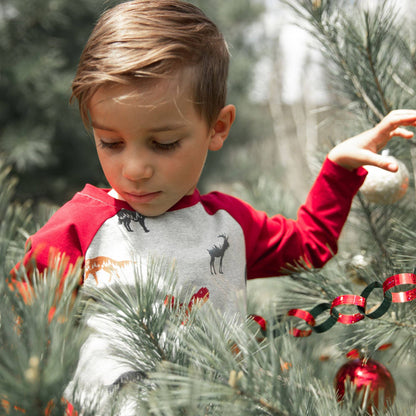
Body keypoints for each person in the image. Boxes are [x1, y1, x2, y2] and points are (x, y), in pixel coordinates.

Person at [10, 0, 416, 404]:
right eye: (110, 142)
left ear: (217, 128)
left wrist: (339, 170)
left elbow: (310, 246)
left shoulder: (229, 226)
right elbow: (19, 337)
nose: (134, 168)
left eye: (164, 143)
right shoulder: (78, 229)